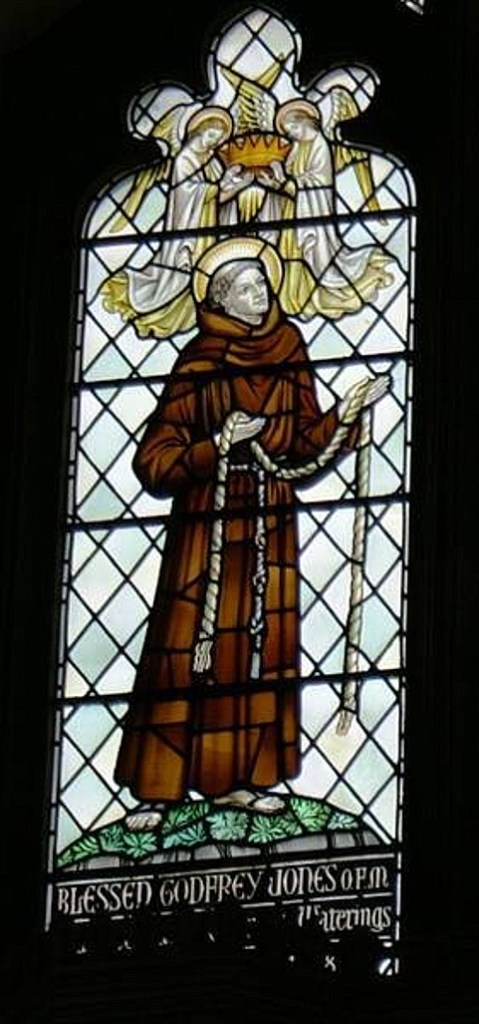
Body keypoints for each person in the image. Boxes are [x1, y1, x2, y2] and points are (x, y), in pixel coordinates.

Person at [114, 237, 389, 818]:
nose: (260, 293)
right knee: (189, 648)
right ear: (219, 299)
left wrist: (346, 413)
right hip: (206, 528)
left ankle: (238, 779)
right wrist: (218, 444)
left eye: (263, 283)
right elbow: (154, 461)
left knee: (259, 652)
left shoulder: (289, 350)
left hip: (270, 523)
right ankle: (159, 790)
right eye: (246, 287)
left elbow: (305, 443)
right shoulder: (198, 363)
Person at [101, 107, 233, 339]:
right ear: (199, 131)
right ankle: (154, 303)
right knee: (180, 274)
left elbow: (216, 197)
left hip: (206, 226)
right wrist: (221, 186)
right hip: (186, 226)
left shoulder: (211, 161)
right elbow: (187, 192)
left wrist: (233, 186)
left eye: (218, 138)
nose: (214, 142)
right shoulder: (184, 159)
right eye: (212, 135)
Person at [272, 99, 393, 319]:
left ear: (305, 122)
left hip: (313, 209)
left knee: (308, 253)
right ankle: (293, 297)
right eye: (289, 132)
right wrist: (278, 179)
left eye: (294, 128)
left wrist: (285, 181)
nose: (292, 134)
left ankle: (307, 295)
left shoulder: (320, 146)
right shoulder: (298, 147)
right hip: (295, 209)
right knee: (290, 252)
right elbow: (290, 178)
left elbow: (318, 181)